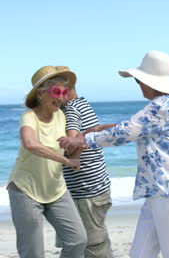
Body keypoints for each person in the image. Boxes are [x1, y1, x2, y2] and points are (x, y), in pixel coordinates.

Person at [58, 51, 169, 258]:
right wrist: (105, 127)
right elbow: (139, 127)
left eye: (139, 80)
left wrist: (82, 140)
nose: (139, 85)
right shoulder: (167, 105)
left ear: (151, 81)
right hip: (158, 192)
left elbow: (128, 131)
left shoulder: (161, 106)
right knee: (140, 254)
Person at [7, 66, 87, 257]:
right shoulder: (29, 116)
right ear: (41, 94)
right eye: (56, 92)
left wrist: (78, 147)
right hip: (26, 190)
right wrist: (65, 161)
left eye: (64, 92)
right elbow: (30, 143)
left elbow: (68, 148)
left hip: (56, 190)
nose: (61, 97)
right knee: (33, 252)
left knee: (78, 240)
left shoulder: (61, 116)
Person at [59, 81, 114, 257]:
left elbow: (70, 143)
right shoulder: (83, 103)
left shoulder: (70, 109)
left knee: (91, 246)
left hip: (84, 191)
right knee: (89, 243)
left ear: (64, 92)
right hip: (98, 187)